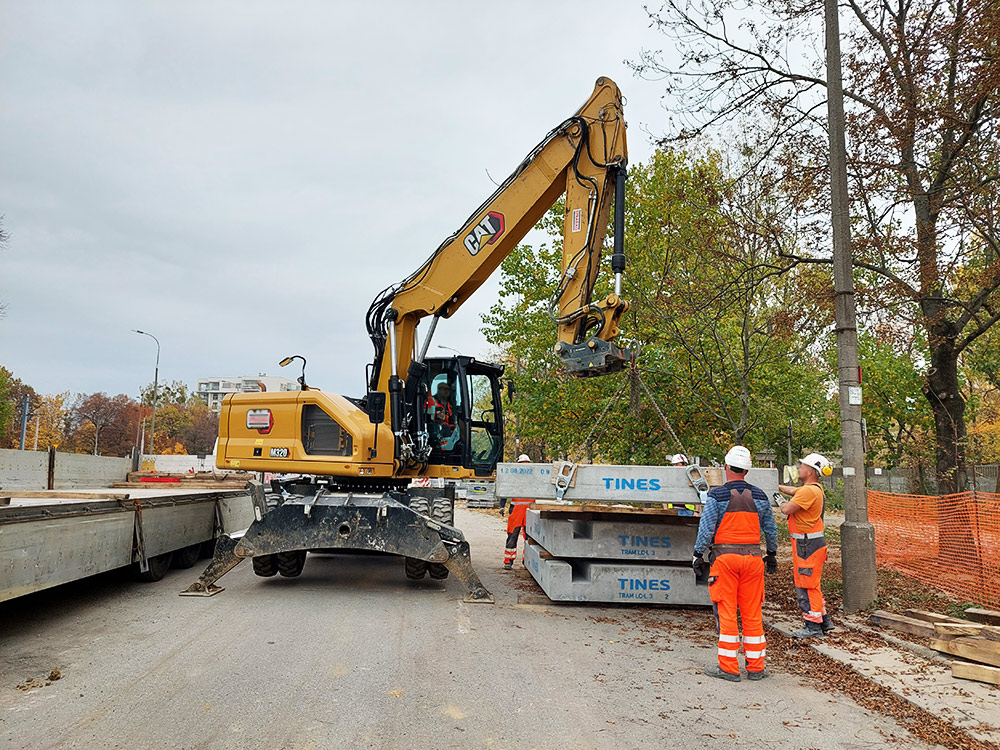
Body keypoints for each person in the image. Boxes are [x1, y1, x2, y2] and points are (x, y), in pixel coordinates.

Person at [693, 445, 779, 682]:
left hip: (725, 560)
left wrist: (698, 554)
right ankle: (756, 667)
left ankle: (729, 668)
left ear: (725, 467)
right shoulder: (760, 496)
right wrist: (771, 554)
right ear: (747, 471)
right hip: (753, 560)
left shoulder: (717, 495)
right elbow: (771, 529)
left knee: (728, 612)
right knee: (752, 613)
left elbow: (706, 529)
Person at [777, 452, 835, 638]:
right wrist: (776, 486)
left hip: (806, 545)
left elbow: (786, 509)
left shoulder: (808, 492)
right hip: (810, 543)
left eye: (802, 466)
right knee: (812, 584)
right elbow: (793, 491)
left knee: (806, 585)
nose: (799, 468)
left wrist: (778, 500)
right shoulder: (813, 489)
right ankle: (824, 621)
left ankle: (813, 626)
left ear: (810, 471)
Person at [501, 453, 533, 570]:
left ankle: (524, 561)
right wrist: (502, 505)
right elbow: (504, 491)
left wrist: (502, 506)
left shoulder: (534, 478)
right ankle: (509, 560)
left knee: (529, 538)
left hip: (528, 511)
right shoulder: (513, 478)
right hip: (518, 511)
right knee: (513, 536)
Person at [425, 381, 455, 450]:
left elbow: (451, 420)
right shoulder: (431, 401)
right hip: (434, 433)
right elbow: (423, 418)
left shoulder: (448, 405)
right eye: (444, 389)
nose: (447, 391)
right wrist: (436, 416)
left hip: (447, 436)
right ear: (439, 390)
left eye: (448, 389)